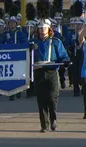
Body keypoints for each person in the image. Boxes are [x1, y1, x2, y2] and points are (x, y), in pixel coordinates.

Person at [33, 0, 69, 133]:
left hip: (52, 72)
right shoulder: (33, 43)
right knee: (41, 100)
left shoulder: (56, 42)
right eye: (40, 28)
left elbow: (63, 55)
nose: (42, 30)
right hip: (38, 72)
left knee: (52, 98)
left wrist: (65, 61)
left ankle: (54, 118)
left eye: (44, 28)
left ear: (49, 29)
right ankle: (44, 125)